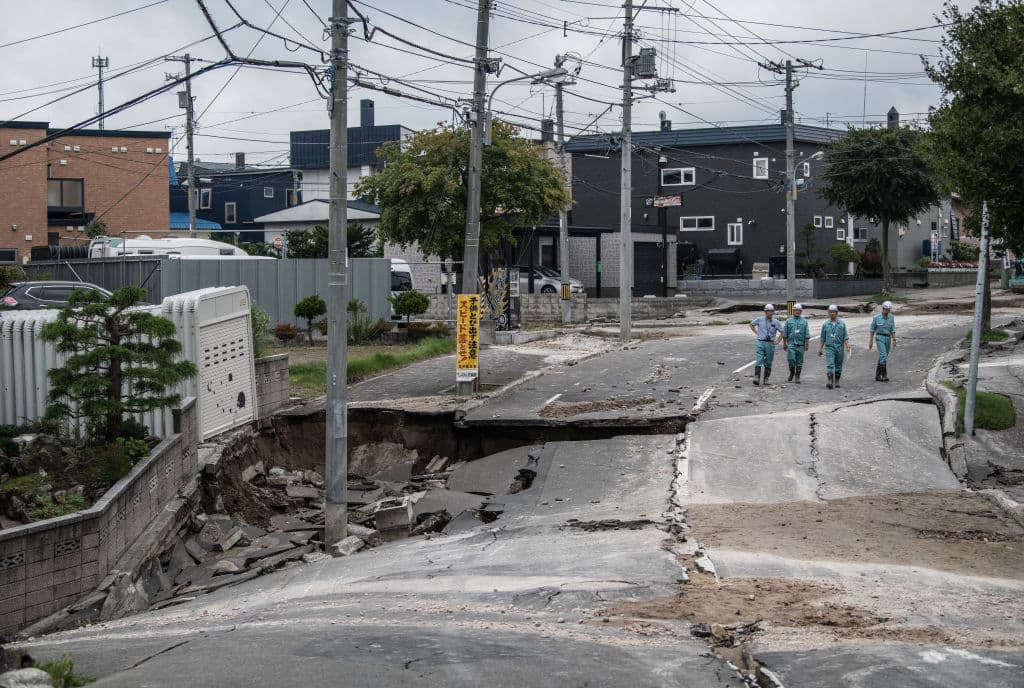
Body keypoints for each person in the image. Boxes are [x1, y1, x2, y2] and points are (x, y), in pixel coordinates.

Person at [749, 303, 784, 386]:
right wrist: (757, 333)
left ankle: (766, 379)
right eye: (768, 311)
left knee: (768, 361)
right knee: (759, 359)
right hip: (760, 342)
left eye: (772, 311)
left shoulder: (776, 322)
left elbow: (782, 332)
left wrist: (778, 341)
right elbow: (751, 324)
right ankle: (757, 377)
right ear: (765, 312)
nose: (770, 313)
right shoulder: (759, 319)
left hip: (770, 343)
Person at [818, 304, 850, 389]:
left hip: (839, 347)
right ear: (828, 313)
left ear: (837, 313)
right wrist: (820, 349)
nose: (832, 313)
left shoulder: (842, 324)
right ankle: (830, 380)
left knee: (838, 365)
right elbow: (822, 338)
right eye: (830, 312)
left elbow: (845, 336)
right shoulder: (825, 324)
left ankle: (837, 381)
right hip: (829, 347)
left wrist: (847, 346)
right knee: (830, 364)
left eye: (834, 312)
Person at [868, 300, 896, 382]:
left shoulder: (891, 317)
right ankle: (884, 375)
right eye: (886, 310)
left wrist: (894, 339)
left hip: (888, 338)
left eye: (889, 310)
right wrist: (871, 341)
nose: (888, 311)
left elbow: (892, 329)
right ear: (883, 309)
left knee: (883, 357)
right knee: (883, 355)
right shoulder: (876, 318)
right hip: (879, 337)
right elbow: (872, 330)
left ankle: (877, 375)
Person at [783, 303, 811, 383]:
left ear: (801, 311)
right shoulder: (788, 321)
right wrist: (784, 343)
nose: (797, 312)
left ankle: (797, 376)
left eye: (799, 310)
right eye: (796, 310)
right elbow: (785, 333)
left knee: (799, 361)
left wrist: (807, 344)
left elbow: (807, 334)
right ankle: (792, 372)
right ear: (793, 311)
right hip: (791, 344)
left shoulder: (804, 321)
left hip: (801, 344)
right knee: (791, 360)